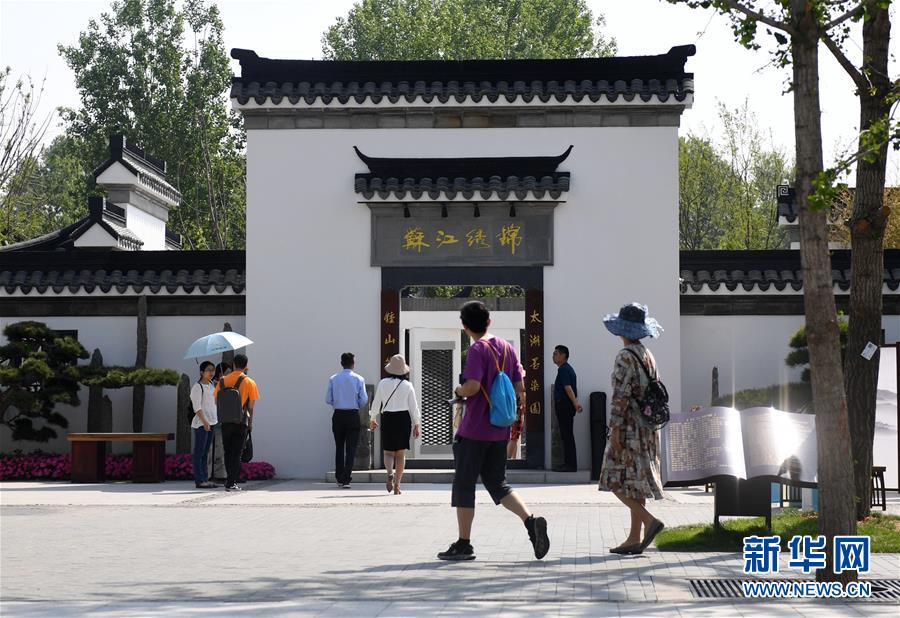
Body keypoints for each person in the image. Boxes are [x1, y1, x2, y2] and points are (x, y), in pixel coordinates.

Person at [438, 300, 550, 562]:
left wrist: (458, 390)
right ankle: (530, 522)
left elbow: (473, 386)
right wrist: (515, 429)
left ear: (465, 327)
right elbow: (520, 389)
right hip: (499, 430)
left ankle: (464, 544)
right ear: (489, 322)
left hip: (474, 430)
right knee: (498, 484)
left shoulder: (477, 349)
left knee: (464, 485)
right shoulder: (508, 348)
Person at [598, 303, 666, 555]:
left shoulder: (625, 356)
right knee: (636, 483)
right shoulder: (647, 354)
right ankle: (634, 538)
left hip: (629, 427)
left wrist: (615, 429)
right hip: (647, 427)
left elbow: (620, 395)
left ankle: (649, 521)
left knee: (612, 478)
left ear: (622, 330)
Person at [368, 354, 421, 495]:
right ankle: (397, 484)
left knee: (388, 452)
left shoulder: (383, 383)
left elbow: (376, 403)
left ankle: (389, 473)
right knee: (400, 454)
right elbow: (413, 406)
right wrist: (417, 424)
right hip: (403, 418)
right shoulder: (408, 385)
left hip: (388, 418)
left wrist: (373, 418)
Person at [214, 353, 259, 492]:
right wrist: (250, 423)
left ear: (233, 365)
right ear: (246, 366)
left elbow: (216, 402)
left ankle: (229, 481)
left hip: (225, 422)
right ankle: (232, 482)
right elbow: (250, 407)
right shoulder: (250, 382)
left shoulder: (222, 381)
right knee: (237, 453)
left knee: (227, 452)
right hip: (241, 421)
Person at [326, 352, 368, 489]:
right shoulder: (359, 379)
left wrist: (337, 403)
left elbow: (328, 399)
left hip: (338, 415)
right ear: (353, 364)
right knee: (351, 448)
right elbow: (364, 399)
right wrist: (355, 405)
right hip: (352, 415)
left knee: (339, 447)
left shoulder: (333, 378)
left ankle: (339, 477)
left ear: (341, 363)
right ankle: (346, 479)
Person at [552, 345, 583, 472]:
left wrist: (575, 403)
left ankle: (570, 465)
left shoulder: (564, 370)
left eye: (555, 354)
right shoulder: (566, 369)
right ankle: (569, 463)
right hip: (566, 406)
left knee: (567, 435)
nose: (553, 356)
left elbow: (568, 387)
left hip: (565, 406)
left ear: (563, 355)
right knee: (566, 435)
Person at [190, 361, 218, 489]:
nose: (211, 372)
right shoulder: (197, 387)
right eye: (208, 370)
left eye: (213, 370)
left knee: (205, 453)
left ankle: (205, 479)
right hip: (202, 423)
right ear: (202, 372)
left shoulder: (212, 385)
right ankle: (199, 480)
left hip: (212, 422)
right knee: (199, 453)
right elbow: (197, 407)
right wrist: (205, 422)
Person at [206, 361, 232, 483]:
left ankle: (220, 475)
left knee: (220, 449)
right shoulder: (212, 385)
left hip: (221, 422)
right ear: (220, 373)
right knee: (209, 449)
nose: (229, 375)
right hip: (210, 421)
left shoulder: (227, 386)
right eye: (227, 373)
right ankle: (208, 475)